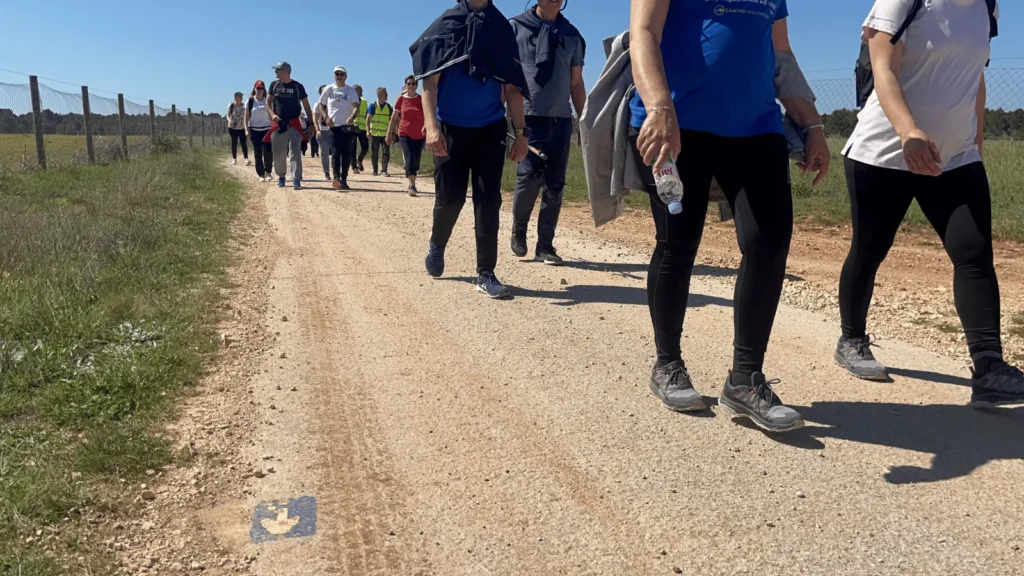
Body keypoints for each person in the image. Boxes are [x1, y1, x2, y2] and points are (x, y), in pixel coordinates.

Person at [630, 0, 830, 431]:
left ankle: (745, 380)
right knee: (678, 244)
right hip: (679, 125)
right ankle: (667, 364)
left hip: (756, 126)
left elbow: (782, 57)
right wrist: (660, 107)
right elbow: (643, 33)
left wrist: (810, 124)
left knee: (769, 243)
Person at [837, 0, 1023, 406]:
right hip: (885, 151)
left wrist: (975, 143)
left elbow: (975, 78)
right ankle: (852, 339)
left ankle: (988, 367)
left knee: (973, 254)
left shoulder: (988, 7)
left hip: (954, 156)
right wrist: (909, 132)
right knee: (869, 250)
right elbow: (883, 69)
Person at [411, 0, 530, 299]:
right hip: (450, 128)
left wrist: (521, 134)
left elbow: (512, 88)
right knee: (450, 199)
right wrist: (432, 127)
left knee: (488, 201)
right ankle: (437, 245)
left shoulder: (501, 28)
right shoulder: (447, 24)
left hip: (489, 129)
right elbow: (430, 81)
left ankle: (485, 272)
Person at [509, 0, 587, 266]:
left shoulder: (573, 35)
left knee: (555, 184)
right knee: (529, 176)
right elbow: (507, 78)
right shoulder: (515, 28)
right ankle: (519, 229)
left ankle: (545, 245)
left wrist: (584, 120)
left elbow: (576, 84)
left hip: (562, 119)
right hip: (528, 117)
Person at [266, 61, 316, 190]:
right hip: (278, 124)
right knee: (279, 153)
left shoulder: (298, 86)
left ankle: (296, 178)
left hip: (294, 123)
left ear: (285, 72)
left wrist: (311, 124)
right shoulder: (274, 85)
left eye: (277, 70)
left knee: (295, 152)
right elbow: (268, 103)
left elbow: (306, 105)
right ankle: (281, 176)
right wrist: (272, 115)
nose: (275, 73)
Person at [317, 66, 360, 191]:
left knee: (345, 154)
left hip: (346, 127)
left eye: (341, 74)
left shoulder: (350, 91)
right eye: (337, 74)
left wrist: (352, 116)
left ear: (345, 76)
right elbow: (321, 105)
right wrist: (326, 117)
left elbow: (356, 106)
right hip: (333, 126)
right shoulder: (328, 89)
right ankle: (336, 178)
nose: (339, 77)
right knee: (335, 153)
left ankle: (344, 179)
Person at [386, 76, 426, 196]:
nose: (411, 86)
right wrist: (389, 132)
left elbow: (427, 114)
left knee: (416, 159)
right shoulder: (401, 99)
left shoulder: (420, 99)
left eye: (413, 84)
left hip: (420, 134)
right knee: (408, 157)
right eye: (409, 84)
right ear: (405, 85)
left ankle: (413, 175)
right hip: (404, 133)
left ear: (417, 86)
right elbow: (394, 118)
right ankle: (412, 185)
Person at [244, 81, 274, 182]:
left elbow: (271, 115)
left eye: (261, 89)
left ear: (264, 90)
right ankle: (261, 174)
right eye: (258, 88)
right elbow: (246, 117)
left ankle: (268, 172)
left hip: (266, 129)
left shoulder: (267, 101)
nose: (260, 91)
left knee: (268, 152)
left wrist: (274, 128)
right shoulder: (250, 101)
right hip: (254, 130)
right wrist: (246, 129)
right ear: (254, 89)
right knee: (258, 152)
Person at [366, 87, 393, 177]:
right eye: (385, 93)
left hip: (385, 134)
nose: (387, 95)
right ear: (380, 95)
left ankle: (384, 170)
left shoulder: (389, 107)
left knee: (386, 152)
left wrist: (392, 133)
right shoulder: (373, 106)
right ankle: (375, 170)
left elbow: (392, 120)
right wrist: (368, 131)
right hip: (374, 134)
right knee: (375, 152)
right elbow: (368, 119)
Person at [314, 85, 334, 181]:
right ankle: (326, 172)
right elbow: (315, 118)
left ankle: (336, 172)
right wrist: (317, 130)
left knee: (335, 152)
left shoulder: (333, 103)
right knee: (325, 153)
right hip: (322, 131)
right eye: (323, 92)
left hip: (333, 130)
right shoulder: (318, 104)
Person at [349, 84, 370, 174]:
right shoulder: (348, 101)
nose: (361, 91)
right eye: (359, 90)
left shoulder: (365, 102)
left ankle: (360, 159)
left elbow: (367, 115)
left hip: (362, 127)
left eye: (361, 90)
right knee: (352, 148)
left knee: (365, 147)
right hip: (352, 126)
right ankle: (354, 167)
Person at [227, 92, 250, 166]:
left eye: (241, 97)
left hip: (242, 127)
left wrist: (246, 125)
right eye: (238, 97)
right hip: (232, 127)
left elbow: (247, 116)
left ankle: (246, 159)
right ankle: (234, 159)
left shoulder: (244, 107)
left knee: (243, 143)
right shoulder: (231, 105)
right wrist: (230, 120)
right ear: (235, 98)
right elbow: (228, 114)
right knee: (234, 142)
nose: (239, 99)